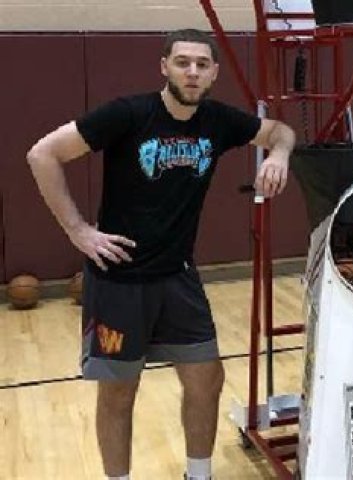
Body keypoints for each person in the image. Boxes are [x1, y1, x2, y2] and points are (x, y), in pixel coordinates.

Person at [27, 29, 295, 480]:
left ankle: (199, 475)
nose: (192, 72)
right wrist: (77, 231)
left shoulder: (218, 121)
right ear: (164, 66)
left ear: (214, 73)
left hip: (178, 277)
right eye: (183, 62)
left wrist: (279, 155)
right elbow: (42, 155)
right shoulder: (129, 114)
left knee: (206, 380)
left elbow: (281, 131)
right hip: (118, 280)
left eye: (202, 65)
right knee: (118, 394)